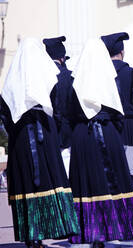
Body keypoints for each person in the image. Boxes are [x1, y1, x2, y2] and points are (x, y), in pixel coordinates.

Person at [0, 38, 80, 248]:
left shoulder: (11, 82)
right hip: (44, 133)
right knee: (47, 180)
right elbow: (56, 106)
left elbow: (5, 114)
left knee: (26, 183)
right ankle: (44, 231)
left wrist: (16, 133)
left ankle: (31, 235)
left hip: (21, 138)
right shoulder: (47, 77)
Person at [67, 39, 133, 248]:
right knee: (113, 179)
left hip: (83, 135)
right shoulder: (110, 80)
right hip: (107, 133)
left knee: (87, 183)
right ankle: (114, 227)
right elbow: (118, 112)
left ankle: (92, 231)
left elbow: (70, 112)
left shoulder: (75, 82)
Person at [101, 32, 133, 182]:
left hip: (108, 125)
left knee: (110, 167)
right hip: (129, 125)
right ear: (122, 52)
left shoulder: (101, 73)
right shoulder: (132, 73)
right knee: (129, 169)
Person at [43, 36, 74, 176]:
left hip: (45, 127)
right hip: (65, 129)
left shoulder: (40, 74)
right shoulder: (67, 75)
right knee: (65, 166)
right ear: (62, 58)